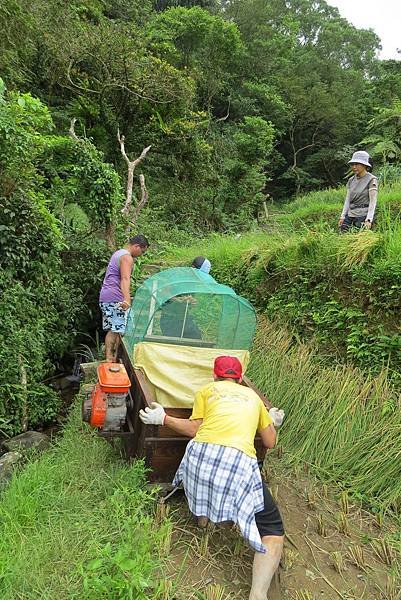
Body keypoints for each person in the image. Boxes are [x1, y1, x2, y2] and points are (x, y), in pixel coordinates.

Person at [139, 356, 285, 600]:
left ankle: (204, 519)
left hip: (199, 461)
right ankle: (258, 594)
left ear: (215, 376)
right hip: (236, 465)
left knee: (207, 481)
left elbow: (194, 429)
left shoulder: (206, 391)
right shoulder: (254, 399)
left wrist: (163, 418)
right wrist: (272, 422)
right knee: (272, 530)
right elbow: (269, 442)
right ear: (239, 379)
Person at [99, 234, 149, 361]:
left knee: (113, 330)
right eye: (142, 251)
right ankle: (114, 360)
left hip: (106, 297)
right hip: (116, 299)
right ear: (136, 246)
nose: (141, 254)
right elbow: (125, 279)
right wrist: (127, 299)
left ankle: (109, 359)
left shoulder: (118, 253)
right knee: (121, 329)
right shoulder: (127, 257)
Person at [159, 256, 212, 339]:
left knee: (196, 340)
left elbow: (188, 298)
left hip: (185, 318)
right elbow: (163, 293)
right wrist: (179, 300)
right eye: (199, 274)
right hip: (170, 319)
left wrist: (192, 301)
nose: (199, 277)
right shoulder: (177, 276)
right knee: (173, 345)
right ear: (193, 268)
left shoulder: (194, 280)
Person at [338, 150, 378, 233]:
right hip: (351, 213)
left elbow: (373, 201)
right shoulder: (351, 180)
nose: (354, 167)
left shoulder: (371, 180)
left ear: (365, 165)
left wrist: (369, 219)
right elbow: (347, 200)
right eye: (352, 164)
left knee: (359, 236)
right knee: (343, 233)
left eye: (357, 164)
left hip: (363, 214)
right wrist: (342, 216)